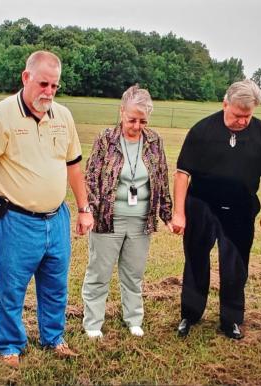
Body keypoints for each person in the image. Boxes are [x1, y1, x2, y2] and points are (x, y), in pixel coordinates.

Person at [0, 50, 93, 369]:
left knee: (56, 286)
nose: (48, 91)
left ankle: (53, 337)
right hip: (16, 220)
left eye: (55, 86)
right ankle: (10, 344)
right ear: (26, 77)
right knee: (12, 287)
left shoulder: (64, 117)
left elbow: (74, 167)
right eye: (43, 83)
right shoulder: (0, 114)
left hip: (56, 219)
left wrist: (84, 208)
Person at [170, 79, 261, 339]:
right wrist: (179, 212)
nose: (243, 121)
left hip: (240, 210)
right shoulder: (202, 130)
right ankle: (191, 314)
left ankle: (231, 319)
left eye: (247, 116)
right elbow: (182, 173)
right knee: (196, 259)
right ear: (224, 104)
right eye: (237, 115)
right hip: (202, 206)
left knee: (235, 267)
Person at [82, 85, 172, 339]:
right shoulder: (105, 139)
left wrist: (167, 215)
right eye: (132, 119)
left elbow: (162, 178)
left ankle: (133, 319)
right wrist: (88, 209)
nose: (136, 125)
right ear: (121, 112)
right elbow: (91, 177)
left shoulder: (155, 141)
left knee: (133, 274)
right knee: (99, 273)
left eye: (143, 121)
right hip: (107, 219)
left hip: (140, 221)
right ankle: (93, 323)